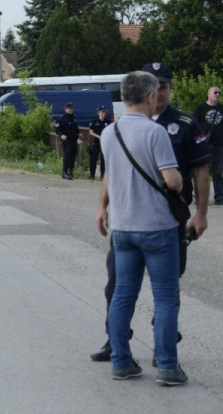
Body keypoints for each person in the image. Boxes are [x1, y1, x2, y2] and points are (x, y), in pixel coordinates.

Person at [90, 62, 210, 368]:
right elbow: (112, 171)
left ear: (169, 89)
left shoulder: (184, 124)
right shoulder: (125, 127)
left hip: (168, 218)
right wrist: (102, 205)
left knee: (166, 289)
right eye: (156, 87)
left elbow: (201, 170)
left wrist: (201, 213)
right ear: (147, 92)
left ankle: (161, 346)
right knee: (118, 286)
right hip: (135, 220)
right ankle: (116, 342)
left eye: (165, 87)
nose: (160, 93)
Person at [193, 85, 223, 204]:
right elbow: (193, 125)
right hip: (203, 143)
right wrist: (197, 141)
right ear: (209, 94)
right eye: (215, 92)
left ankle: (219, 195)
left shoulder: (221, 108)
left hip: (219, 143)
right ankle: (200, 197)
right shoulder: (201, 108)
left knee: (218, 171)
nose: (218, 94)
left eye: (219, 93)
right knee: (201, 171)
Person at [55, 102, 81, 180]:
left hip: (74, 140)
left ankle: (70, 171)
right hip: (67, 140)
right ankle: (64, 172)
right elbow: (57, 130)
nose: (71, 110)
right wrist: (61, 135)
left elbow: (76, 129)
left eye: (72, 108)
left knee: (73, 155)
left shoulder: (73, 119)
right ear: (65, 109)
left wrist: (79, 133)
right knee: (67, 155)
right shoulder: (61, 119)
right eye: (70, 109)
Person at [88, 105, 109, 179]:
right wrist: (99, 136)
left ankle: (102, 175)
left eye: (105, 112)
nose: (104, 113)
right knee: (93, 159)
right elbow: (91, 132)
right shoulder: (94, 121)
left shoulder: (108, 121)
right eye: (102, 112)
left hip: (105, 144)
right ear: (98, 113)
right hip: (97, 142)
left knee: (104, 160)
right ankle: (92, 175)